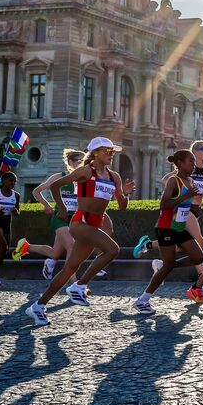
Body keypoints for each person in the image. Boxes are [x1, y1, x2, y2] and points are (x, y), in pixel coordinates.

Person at [26, 137, 134, 325]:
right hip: (80, 223)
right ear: (96, 153)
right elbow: (55, 186)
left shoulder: (113, 176)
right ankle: (79, 286)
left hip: (94, 225)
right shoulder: (85, 171)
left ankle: (38, 306)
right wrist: (61, 208)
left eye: (113, 152)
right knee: (112, 250)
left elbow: (122, 206)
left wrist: (125, 194)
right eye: (108, 152)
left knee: (69, 268)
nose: (111, 155)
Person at [140, 140, 203, 291]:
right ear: (195, 151)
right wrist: (184, 191)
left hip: (196, 209)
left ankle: (151, 249)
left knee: (178, 246)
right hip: (185, 209)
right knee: (200, 241)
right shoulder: (186, 170)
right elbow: (167, 180)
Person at [134, 150, 203, 314]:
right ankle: (142, 300)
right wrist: (185, 196)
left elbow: (187, 204)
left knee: (198, 257)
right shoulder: (174, 181)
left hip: (180, 228)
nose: (194, 165)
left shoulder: (190, 181)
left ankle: (163, 267)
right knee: (168, 266)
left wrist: (195, 206)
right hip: (166, 227)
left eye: (194, 162)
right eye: (190, 161)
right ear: (180, 163)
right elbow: (164, 204)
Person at [21, 149, 86, 280]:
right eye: (79, 161)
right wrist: (46, 205)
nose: (82, 164)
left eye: (83, 161)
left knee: (54, 253)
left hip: (74, 219)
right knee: (72, 246)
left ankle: (25, 246)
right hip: (60, 218)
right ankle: (74, 284)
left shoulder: (84, 179)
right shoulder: (59, 177)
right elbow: (36, 192)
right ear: (70, 162)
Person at [0, 171, 21, 286]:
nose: (13, 183)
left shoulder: (16, 195)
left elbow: (17, 212)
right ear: (4, 181)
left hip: (7, 222)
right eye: (11, 180)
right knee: (3, 246)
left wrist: (15, 212)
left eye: (15, 181)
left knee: (4, 250)